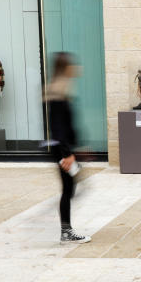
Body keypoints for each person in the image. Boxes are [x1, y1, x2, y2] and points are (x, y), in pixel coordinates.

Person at [46, 52, 90, 244]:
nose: (75, 67)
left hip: (65, 148)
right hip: (62, 150)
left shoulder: (62, 87)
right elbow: (58, 127)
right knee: (68, 188)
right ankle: (66, 231)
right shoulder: (57, 91)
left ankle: (66, 228)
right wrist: (67, 154)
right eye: (72, 65)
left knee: (71, 186)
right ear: (65, 68)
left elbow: (67, 124)